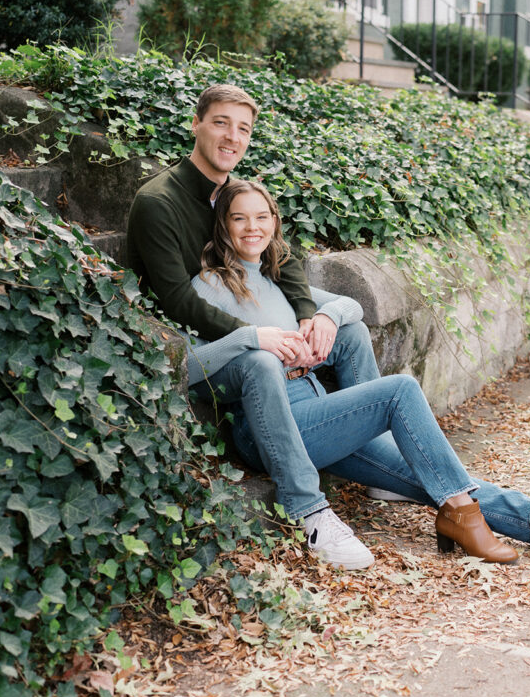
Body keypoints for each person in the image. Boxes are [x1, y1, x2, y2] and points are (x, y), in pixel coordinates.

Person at [185, 178, 530, 565]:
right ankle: (466, 515)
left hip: (318, 413)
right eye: (239, 218)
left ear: (274, 222)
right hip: (269, 427)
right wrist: (254, 338)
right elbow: (189, 368)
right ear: (223, 226)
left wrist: (327, 318)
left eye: (261, 217)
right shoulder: (209, 286)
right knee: (400, 391)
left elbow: (353, 307)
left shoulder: (278, 278)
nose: (252, 228)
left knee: (418, 469)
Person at [127, 84, 382, 570]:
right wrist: (257, 334)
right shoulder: (158, 201)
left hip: (249, 300)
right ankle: (309, 509)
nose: (232, 136)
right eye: (221, 122)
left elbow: (277, 259)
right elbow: (178, 297)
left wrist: (309, 316)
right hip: (210, 343)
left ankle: (375, 457)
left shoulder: (230, 190)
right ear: (196, 123)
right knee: (265, 357)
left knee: (346, 326)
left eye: (243, 128)